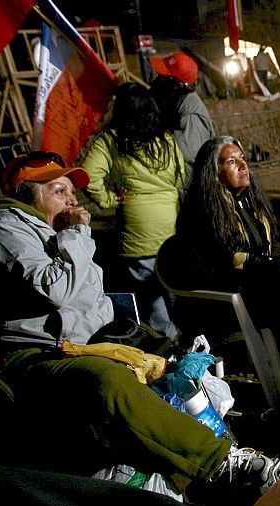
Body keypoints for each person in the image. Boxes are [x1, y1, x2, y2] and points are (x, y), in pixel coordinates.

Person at [0, 151, 280, 505]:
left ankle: (227, 446)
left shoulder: (53, 233)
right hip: (37, 353)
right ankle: (220, 462)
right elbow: (55, 288)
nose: (72, 200)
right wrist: (76, 233)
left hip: (87, 341)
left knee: (172, 361)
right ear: (27, 196)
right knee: (109, 379)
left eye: (72, 193)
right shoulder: (4, 225)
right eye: (59, 191)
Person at [158, 136, 280, 441]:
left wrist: (258, 265)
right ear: (213, 171)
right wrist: (248, 266)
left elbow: (271, 251)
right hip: (220, 305)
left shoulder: (251, 203)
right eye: (231, 161)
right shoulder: (201, 212)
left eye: (243, 159)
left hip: (263, 289)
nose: (243, 166)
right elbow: (205, 268)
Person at [81, 83, 183, 338]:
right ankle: (190, 342)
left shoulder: (111, 140)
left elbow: (88, 176)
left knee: (153, 302)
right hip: (171, 225)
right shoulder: (165, 139)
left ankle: (167, 345)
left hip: (138, 232)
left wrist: (109, 199)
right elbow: (180, 176)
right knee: (175, 289)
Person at [150, 50, 217, 180]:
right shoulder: (171, 102)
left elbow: (192, 156)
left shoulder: (190, 113)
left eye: (163, 75)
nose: (157, 78)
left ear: (176, 84)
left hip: (188, 183)